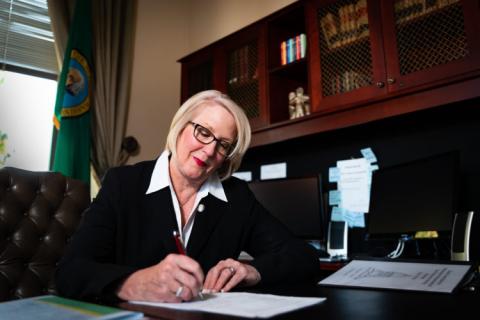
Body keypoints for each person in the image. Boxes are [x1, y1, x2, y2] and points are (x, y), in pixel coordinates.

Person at [55, 90, 320, 303]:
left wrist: (253, 270)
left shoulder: (237, 197)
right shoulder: (123, 183)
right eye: (203, 132)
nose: (208, 151)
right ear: (181, 127)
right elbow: (70, 271)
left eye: (223, 145)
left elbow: (304, 258)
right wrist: (134, 283)